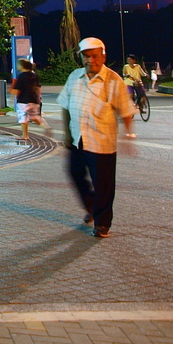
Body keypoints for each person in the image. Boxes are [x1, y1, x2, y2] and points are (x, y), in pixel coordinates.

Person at [57, 37, 134, 238]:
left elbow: (126, 110)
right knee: (75, 174)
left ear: (103, 56)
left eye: (95, 56)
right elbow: (65, 106)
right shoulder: (74, 77)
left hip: (102, 142)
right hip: (78, 139)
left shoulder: (113, 80)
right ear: (80, 58)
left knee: (104, 184)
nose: (91, 60)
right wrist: (67, 133)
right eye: (86, 56)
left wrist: (128, 135)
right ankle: (91, 206)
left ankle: (102, 223)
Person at [10, 59, 49, 140]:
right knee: (34, 117)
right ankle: (46, 127)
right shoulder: (34, 75)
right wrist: (39, 97)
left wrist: (11, 94)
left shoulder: (21, 76)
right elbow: (38, 88)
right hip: (34, 99)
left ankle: (25, 135)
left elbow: (17, 90)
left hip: (23, 100)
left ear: (22, 66)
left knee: (23, 118)